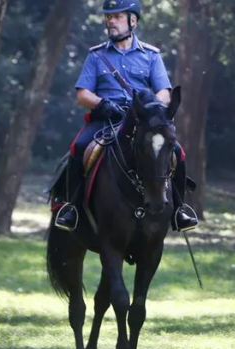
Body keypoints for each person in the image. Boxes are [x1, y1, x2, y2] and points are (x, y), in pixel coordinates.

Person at [54, 0, 198, 233]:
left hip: (143, 120)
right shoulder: (96, 55)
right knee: (79, 147)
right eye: (109, 17)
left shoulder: (151, 55)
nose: (111, 21)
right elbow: (82, 95)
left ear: (133, 21)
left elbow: (164, 91)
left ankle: (180, 209)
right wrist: (101, 104)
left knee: (177, 153)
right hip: (106, 119)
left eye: (117, 17)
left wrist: (152, 107)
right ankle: (72, 208)